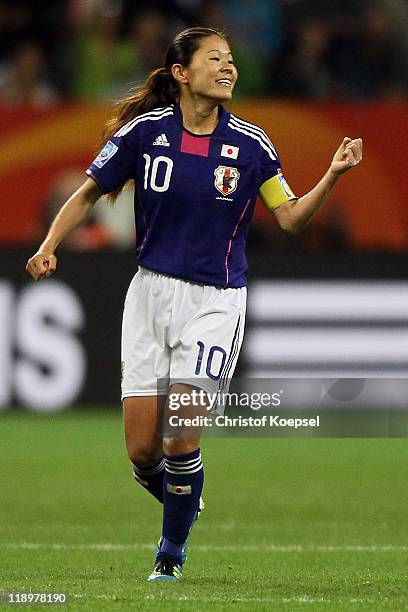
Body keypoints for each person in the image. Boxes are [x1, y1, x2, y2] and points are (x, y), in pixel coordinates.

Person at [26, 26, 363, 582]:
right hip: (149, 295)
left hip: (215, 301)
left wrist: (331, 176)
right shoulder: (144, 134)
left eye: (231, 60)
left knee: (181, 434)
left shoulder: (252, 146)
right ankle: (186, 496)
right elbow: (87, 192)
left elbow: (290, 218)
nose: (228, 67)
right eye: (215, 59)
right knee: (141, 452)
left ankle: (171, 554)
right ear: (182, 73)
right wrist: (47, 246)